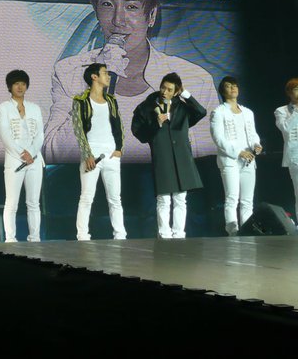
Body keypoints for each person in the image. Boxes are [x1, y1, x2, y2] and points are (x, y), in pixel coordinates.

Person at [43, 0, 218, 163]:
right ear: (96, 11)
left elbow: (209, 165)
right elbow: (52, 154)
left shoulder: (195, 80)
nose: (118, 20)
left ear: (151, 16)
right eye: (107, 4)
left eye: (131, 7)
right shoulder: (68, 73)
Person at [131, 72, 206, 238]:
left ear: (176, 92)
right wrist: (156, 123)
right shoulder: (146, 107)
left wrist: (186, 94)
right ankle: (164, 234)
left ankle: (179, 233)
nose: (164, 92)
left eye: (170, 90)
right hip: (162, 156)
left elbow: (201, 112)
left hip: (182, 157)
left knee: (180, 198)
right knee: (163, 199)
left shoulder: (182, 107)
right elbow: (139, 133)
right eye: (163, 87)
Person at [72, 63, 126, 240]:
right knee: (87, 197)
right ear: (94, 77)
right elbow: (78, 129)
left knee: (115, 199)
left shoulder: (111, 100)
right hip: (92, 154)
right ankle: (82, 236)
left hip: (111, 154)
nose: (108, 76)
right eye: (105, 73)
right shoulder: (80, 100)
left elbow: (119, 125)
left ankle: (120, 235)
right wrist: (87, 154)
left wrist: (119, 149)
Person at [0, 69, 44, 242]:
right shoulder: (3, 108)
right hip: (15, 159)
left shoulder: (35, 108)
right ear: (10, 86)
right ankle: (10, 239)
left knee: (33, 202)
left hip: (35, 160)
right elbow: (5, 135)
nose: (20, 87)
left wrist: (31, 152)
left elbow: (40, 135)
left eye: (23, 84)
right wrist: (22, 154)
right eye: (16, 83)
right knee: (12, 203)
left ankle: (35, 238)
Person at [210, 76, 262, 235]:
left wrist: (256, 144)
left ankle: (247, 232)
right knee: (232, 198)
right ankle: (232, 232)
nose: (233, 88)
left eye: (235, 85)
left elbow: (253, 134)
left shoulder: (248, 112)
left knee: (247, 201)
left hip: (248, 160)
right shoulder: (218, 112)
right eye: (228, 86)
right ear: (222, 91)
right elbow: (218, 139)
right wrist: (239, 152)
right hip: (230, 160)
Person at [275, 77, 298, 222]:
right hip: (295, 155)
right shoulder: (281, 111)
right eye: (296, 89)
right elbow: (285, 129)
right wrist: (296, 112)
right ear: (289, 92)